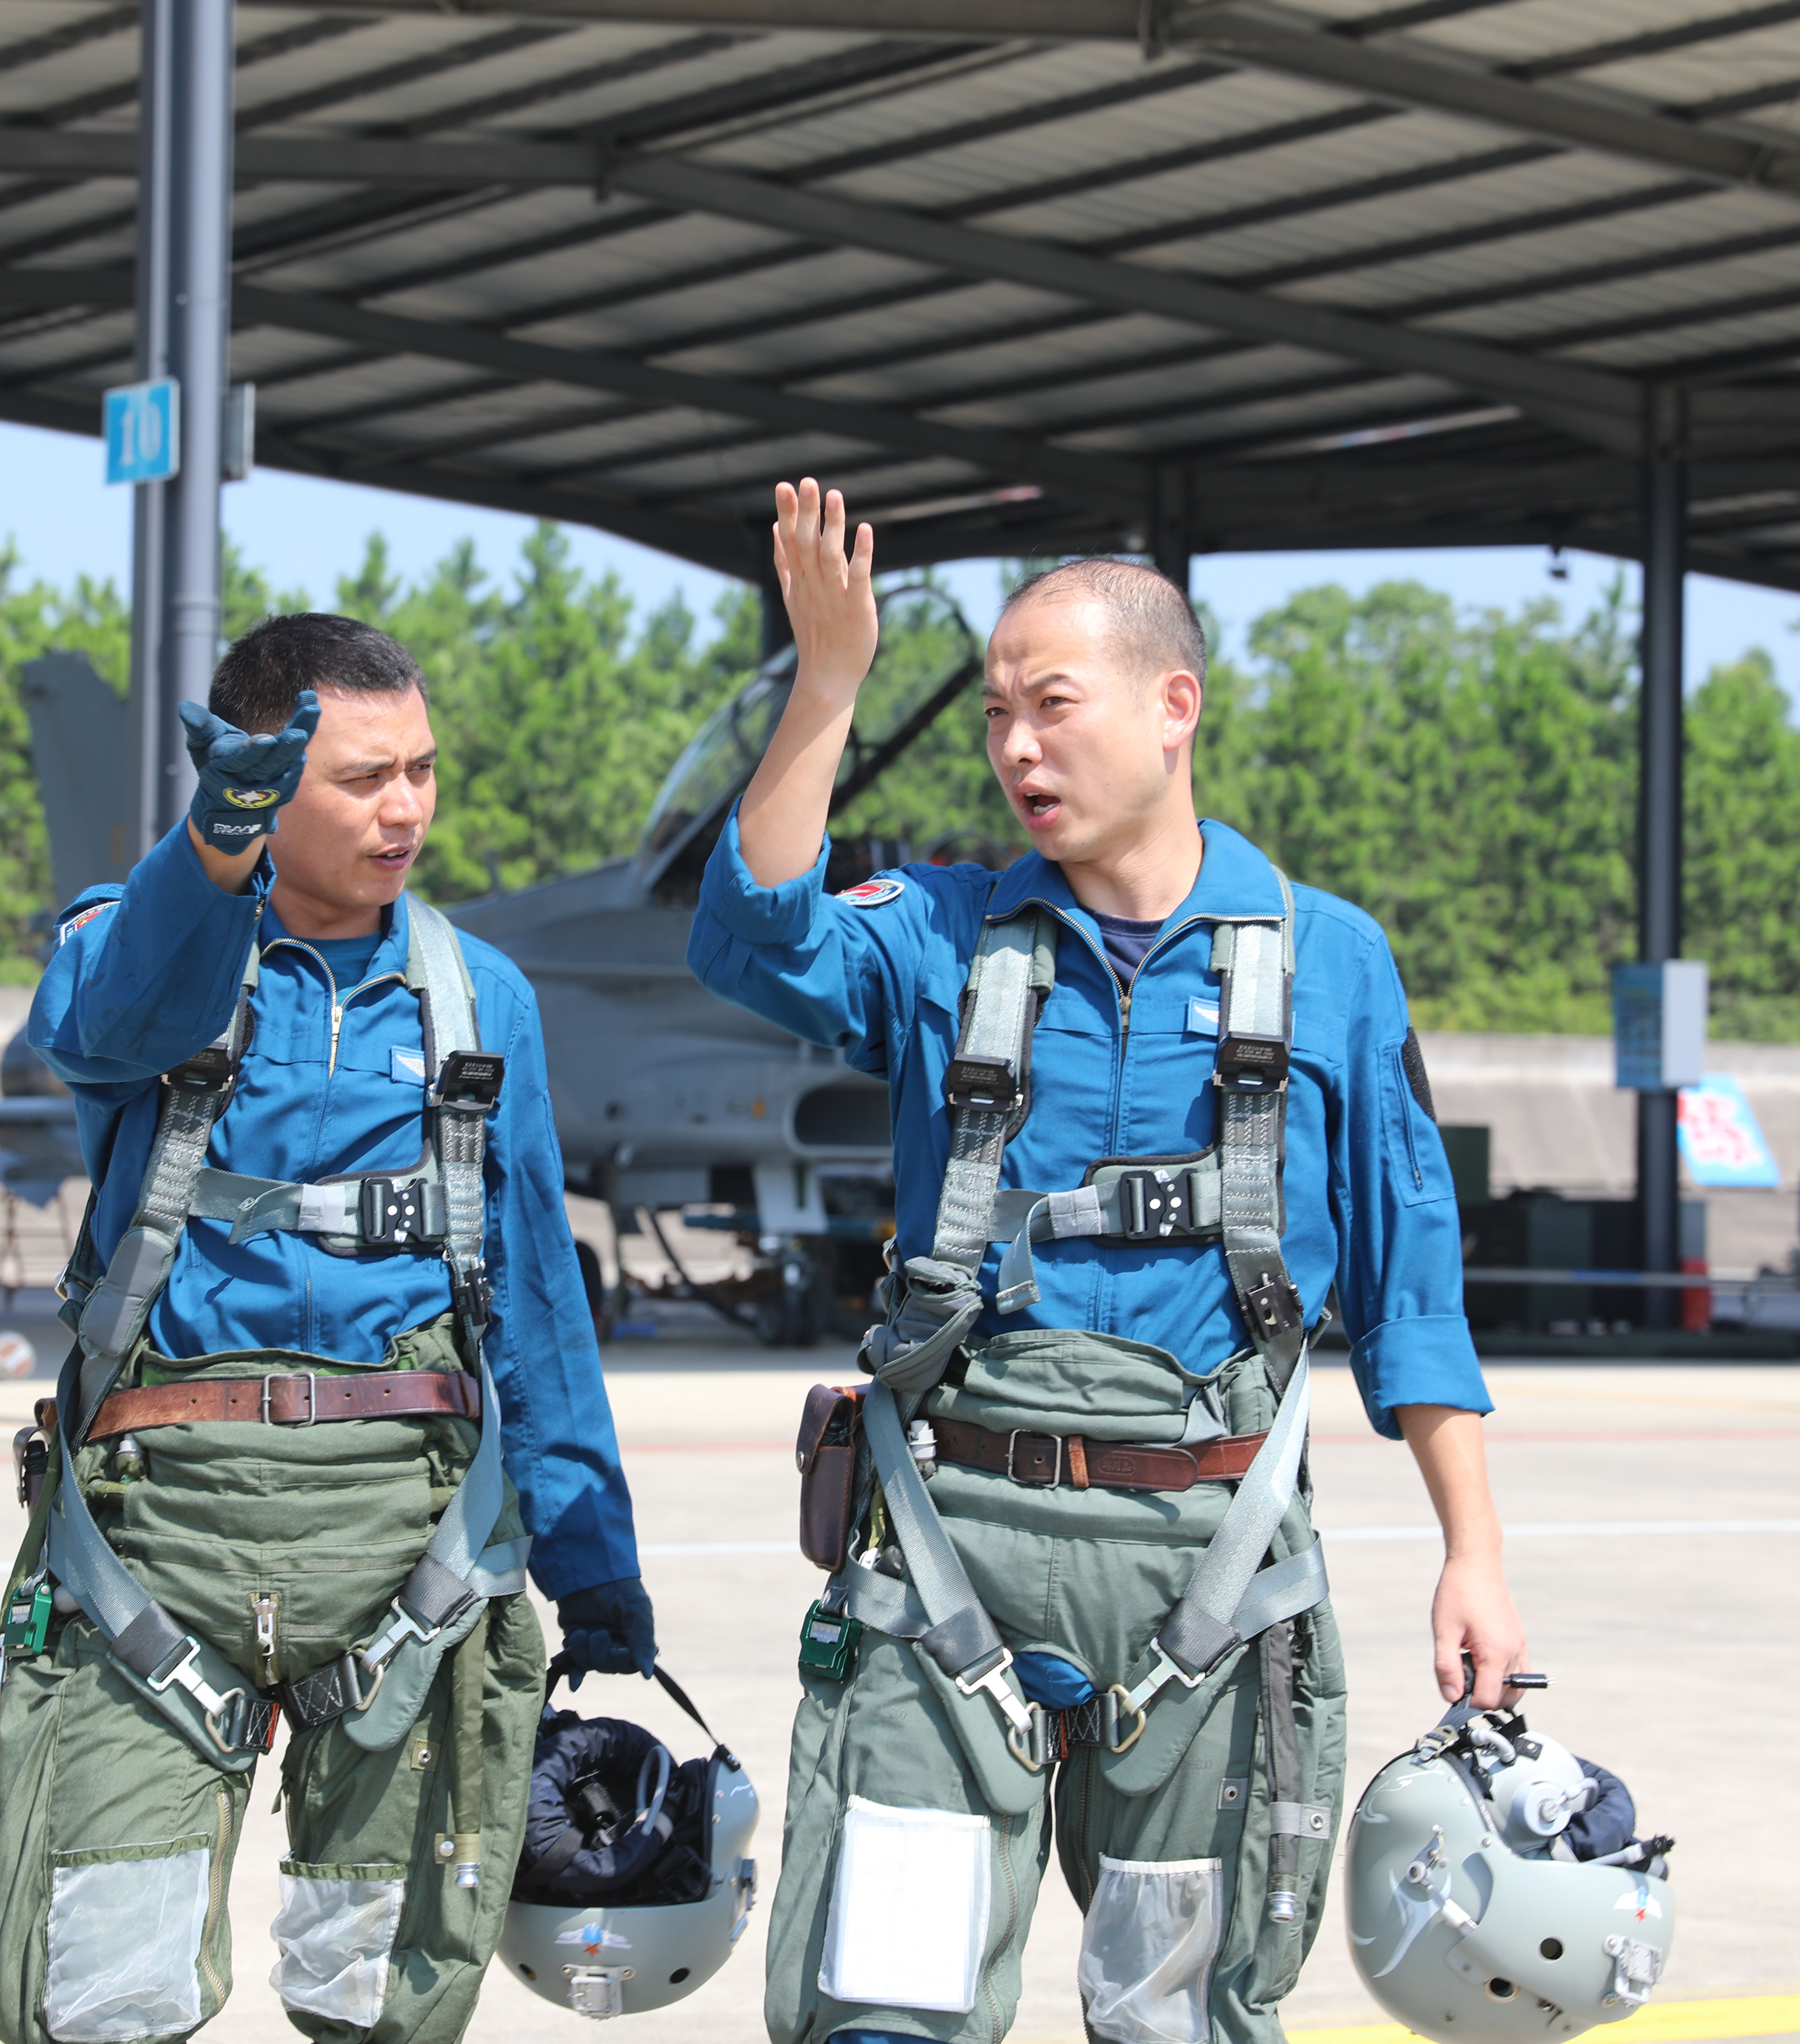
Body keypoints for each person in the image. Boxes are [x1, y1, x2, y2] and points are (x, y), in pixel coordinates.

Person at [690, 482, 1529, 2044]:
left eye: (1051, 707)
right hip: (958, 1554)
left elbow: (1416, 1288)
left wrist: (1471, 1551)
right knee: (890, 2002)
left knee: (1180, 2016)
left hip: (1207, 1571)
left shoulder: (1329, 959)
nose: (1015, 748)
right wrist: (829, 687)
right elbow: (753, 940)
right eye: (997, 715)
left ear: (1174, 706)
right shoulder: (944, 931)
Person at [0, 612, 652, 2044]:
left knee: (383, 2003)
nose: (403, 807)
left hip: (406, 1545)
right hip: (156, 1536)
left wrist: (594, 1565)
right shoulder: (135, 949)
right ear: (259, 779)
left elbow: (533, 1298)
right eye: (359, 777)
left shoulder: (482, 999)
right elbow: (97, 1030)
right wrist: (209, 855)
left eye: (419, 769)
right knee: (102, 1987)